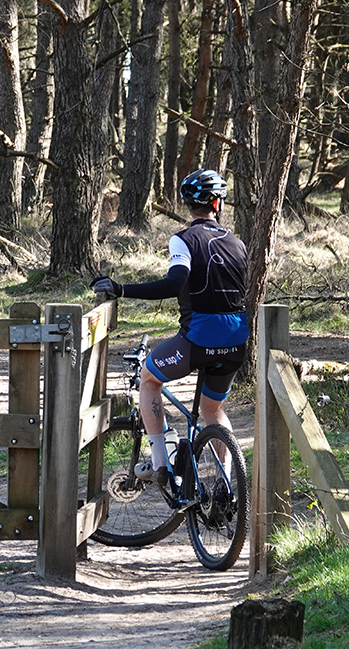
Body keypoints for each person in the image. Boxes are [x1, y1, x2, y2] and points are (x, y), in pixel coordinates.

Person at [91, 169, 248, 486]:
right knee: (212, 410)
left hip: (197, 342)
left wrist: (122, 289)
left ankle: (161, 465)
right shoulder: (237, 243)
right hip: (236, 343)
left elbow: (175, 282)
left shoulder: (183, 239)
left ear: (188, 204)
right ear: (218, 203)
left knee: (148, 379)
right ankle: (226, 483)